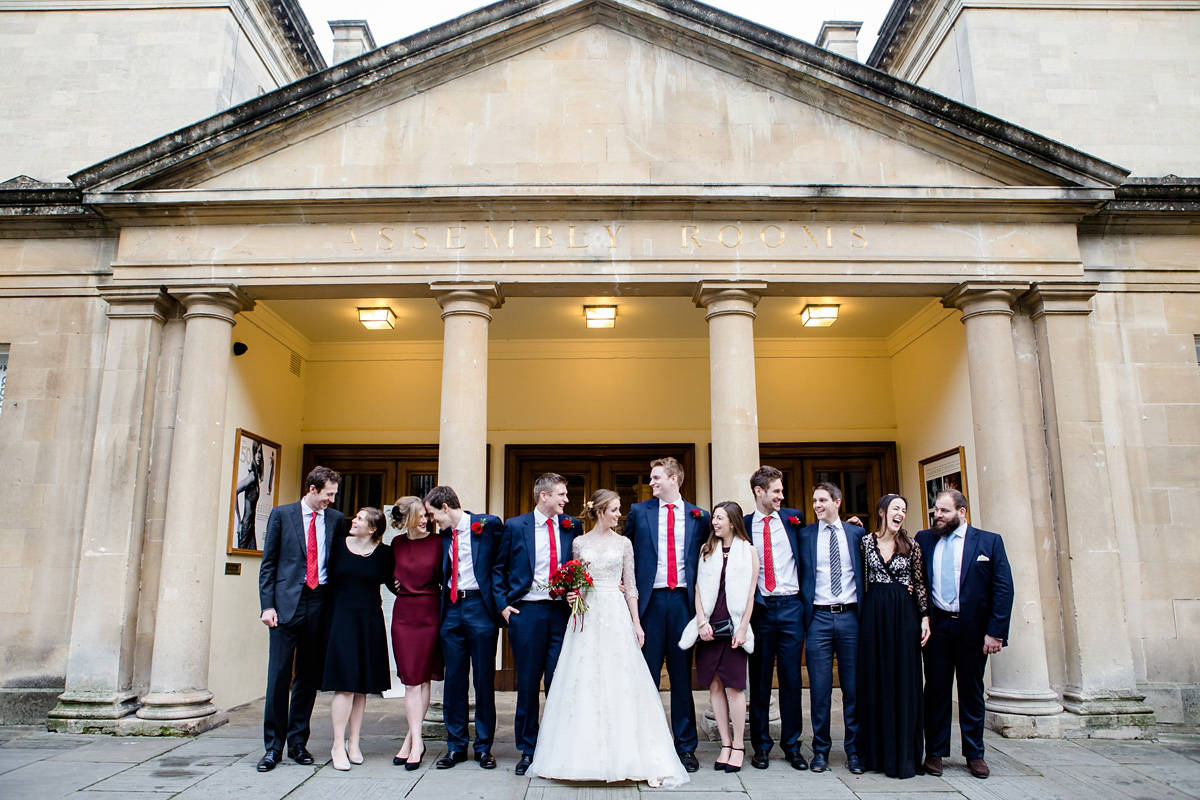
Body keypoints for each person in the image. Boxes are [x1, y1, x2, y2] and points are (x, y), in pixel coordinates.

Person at [529, 490, 689, 788]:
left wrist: (637, 624)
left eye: (619, 510)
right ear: (600, 511)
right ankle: (580, 758)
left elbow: (631, 587)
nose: (619, 515)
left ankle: (628, 755)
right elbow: (573, 579)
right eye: (614, 510)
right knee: (584, 678)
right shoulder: (579, 542)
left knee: (620, 680)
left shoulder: (624, 543)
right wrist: (572, 593)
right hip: (587, 616)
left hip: (616, 615)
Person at [916, 489, 1013, 780]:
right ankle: (934, 752)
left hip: (973, 630)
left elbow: (1003, 589)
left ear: (962, 512)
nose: (938, 516)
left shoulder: (988, 542)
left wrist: (996, 633)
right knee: (935, 691)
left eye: (944, 511)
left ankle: (975, 754)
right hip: (938, 628)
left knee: (971, 693)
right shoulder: (924, 539)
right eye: (936, 510)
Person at [256, 466, 345, 772]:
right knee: (280, 676)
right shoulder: (282, 515)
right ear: (312, 488)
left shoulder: (335, 520)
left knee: (308, 678)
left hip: (320, 603)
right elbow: (268, 565)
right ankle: (272, 747)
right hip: (284, 607)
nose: (331, 500)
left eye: (334, 494)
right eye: (327, 494)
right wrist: (267, 606)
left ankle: (297, 743)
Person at [493, 473, 580, 776]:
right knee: (528, 685)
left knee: (559, 683)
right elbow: (498, 568)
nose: (566, 500)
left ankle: (557, 746)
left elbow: (580, 566)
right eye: (561, 495)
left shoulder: (572, 526)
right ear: (544, 495)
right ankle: (528, 749)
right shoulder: (516, 526)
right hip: (526, 613)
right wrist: (503, 606)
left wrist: (577, 591)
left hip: (561, 614)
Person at [625, 457, 707, 773]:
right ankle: (645, 743)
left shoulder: (699, 516)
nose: (652, 482)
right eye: (651, 477)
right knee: (645, 676)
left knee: (682, 677)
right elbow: (626, 551)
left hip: (684, 604)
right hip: (650, 604)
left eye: (657, 477)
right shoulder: (639, 512)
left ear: (674, 479)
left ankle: (685, 747)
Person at [425, 485, 504, 770]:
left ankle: (484, 747)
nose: (432, 521)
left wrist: (502, 602)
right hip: (452, 610)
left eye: (433, 514)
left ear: (445, 507)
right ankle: (456, 746)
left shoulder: (488, 525)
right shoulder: (444, 536)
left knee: (483, 680)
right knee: (454, 681)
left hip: (480, 607)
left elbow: (502, 564)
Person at [679, 501, 758, 773]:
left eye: (720, 518)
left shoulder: (749, 552)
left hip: (735, 625)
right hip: (710, 627)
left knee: (735, 686)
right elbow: (699, 589)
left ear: (733, 522)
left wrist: (743, 627)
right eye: (713, 517)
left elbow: (750, 594)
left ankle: (738, 745)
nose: (714, 522)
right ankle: (724, 744)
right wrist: (701, 621)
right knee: (714, 685)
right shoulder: (707, 549)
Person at [857, 494, 930, 779]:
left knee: (904, 681)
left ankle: (904, 756)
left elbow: (920, 582)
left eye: (904, 510)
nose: (900, 513)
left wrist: (924, 618)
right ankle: (873, 754)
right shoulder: (865, 543)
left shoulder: (912, 546)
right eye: (895, 508)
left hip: (904, 616)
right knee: (874, 680)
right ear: (882, 512)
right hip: (873, 616)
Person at [744, 466, 807, 770]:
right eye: (777, 491)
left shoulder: (794, 520)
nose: (782, 496)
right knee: (759, 681)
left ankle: (792, 745)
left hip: (792, 606)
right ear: (759, 491)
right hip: (761, 610)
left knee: (792, 679)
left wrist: (853, 525)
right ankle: (761, 746)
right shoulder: (743, 525)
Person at [801, 482, 866, 774]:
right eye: (815, 500)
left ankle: (854, 751)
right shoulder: (804, 535)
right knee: (820, 689)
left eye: (823, 500)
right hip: (819, 619)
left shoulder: (857, 533)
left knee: (852, 689)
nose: (817, 505)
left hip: (851, 616)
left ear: (837, 501)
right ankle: (821, 751)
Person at [322, 507, 393, 771]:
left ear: (373, 529)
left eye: (361, 519)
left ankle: (354, 742)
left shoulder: (385, 554)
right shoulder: (337, 545)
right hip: (341, 621)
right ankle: (337, 744)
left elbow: (395, 582)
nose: (354, 520)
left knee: (362, 685)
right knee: (345, 684)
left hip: (370, 622)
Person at [388, 496, 443, 770]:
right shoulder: (396, 544)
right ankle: (415, 740)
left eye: (426, 515)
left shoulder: (437, 542)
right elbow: (388, 576)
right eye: (420, 515)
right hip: (404, 614)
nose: (425, 520)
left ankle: (413, 741)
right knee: (411, 680)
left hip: (431, 613)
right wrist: (395, 584)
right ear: (408, 517)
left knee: (421, 679)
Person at [235, 441, 264, 549]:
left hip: (251, 526)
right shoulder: (251, 476)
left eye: (260, 452)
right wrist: (238, 521)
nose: (259, 456)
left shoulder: (256, 477)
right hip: (246, 526)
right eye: (256, 452)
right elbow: (234, 491)